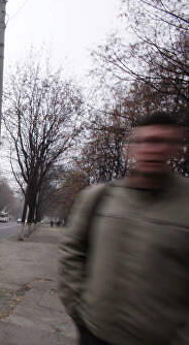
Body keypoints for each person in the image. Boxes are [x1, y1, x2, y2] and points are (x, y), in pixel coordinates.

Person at [58, 112, 188, 345]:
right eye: (143, 141)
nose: (152, 149)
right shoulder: (98, 198)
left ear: (177, 149)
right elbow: (72, 251)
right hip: (94, 334)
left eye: (162, 141)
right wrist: (79, 311)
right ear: (130, 148)